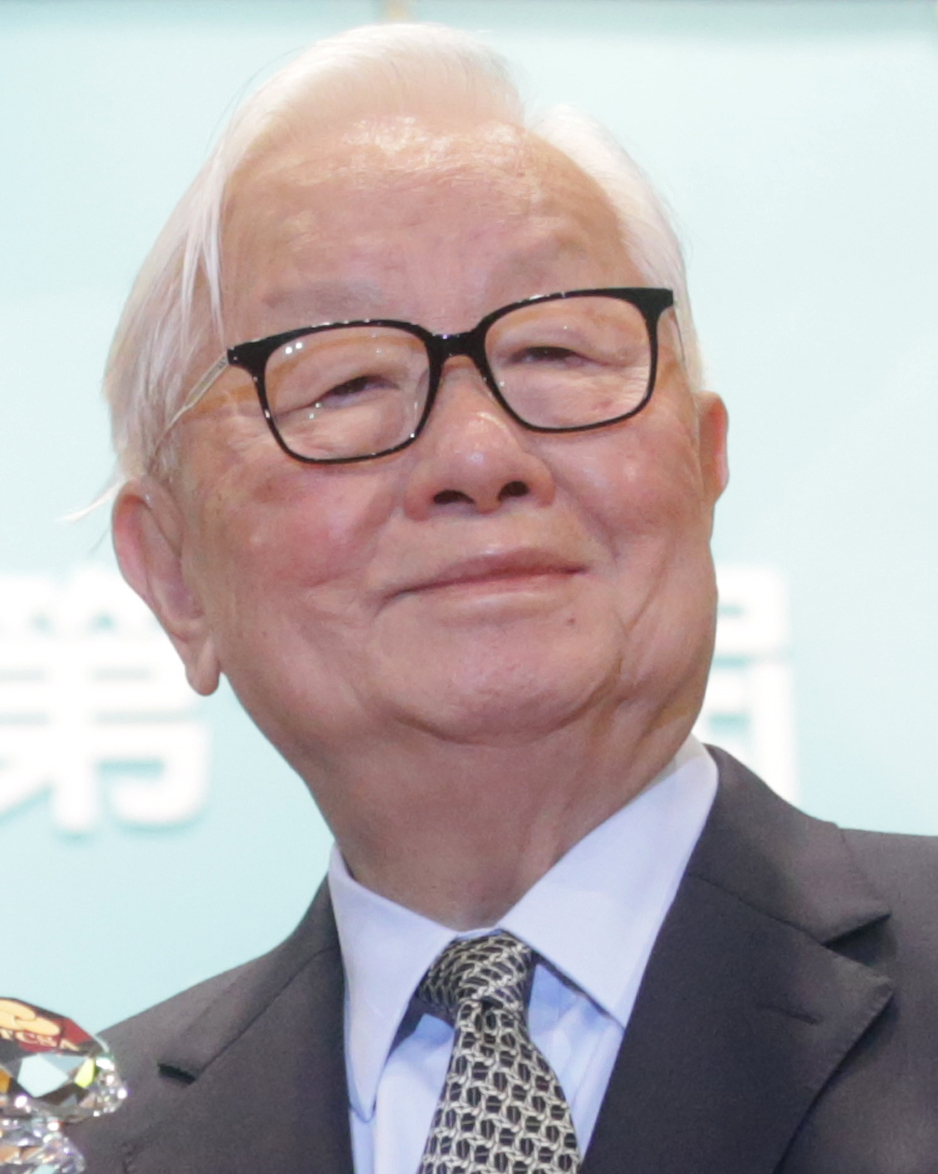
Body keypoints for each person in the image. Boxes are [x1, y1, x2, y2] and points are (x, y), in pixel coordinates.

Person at [72, 21, 938, 1174]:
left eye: (556, 355)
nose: (478, 455)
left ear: (702, 461)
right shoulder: (81, 1147)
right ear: (174, 574)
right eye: (346, 382)